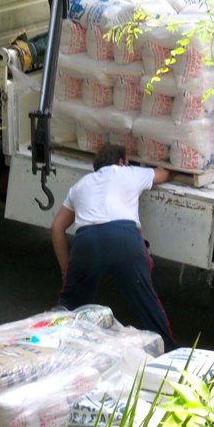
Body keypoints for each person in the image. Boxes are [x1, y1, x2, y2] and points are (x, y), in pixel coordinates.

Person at [50, 143, 178, 350]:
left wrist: (67, 271)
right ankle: (169, 353)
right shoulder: (128, 173)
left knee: (68, 308)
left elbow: (56, 228)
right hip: (123, 239)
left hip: (86, 242)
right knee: (147, 305)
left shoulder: (80, 185)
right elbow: (164, 174)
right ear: (121, 162)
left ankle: (49, 347)